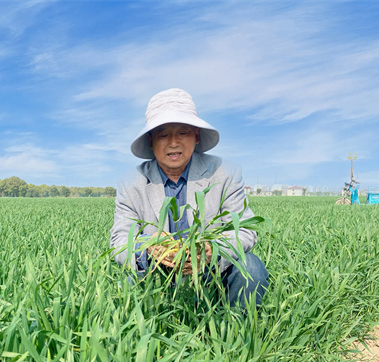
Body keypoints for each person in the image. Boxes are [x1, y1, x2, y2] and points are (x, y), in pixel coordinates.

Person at [109, 88, 268, 308]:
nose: (173, 142)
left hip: (212, 273)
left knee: (251, 268)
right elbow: (119, 241)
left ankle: (235, 325)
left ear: (196, 136)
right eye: (163, 134)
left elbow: (245, 230)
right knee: (124, 286)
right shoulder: (131, 183)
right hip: (158, 275)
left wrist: (212, 250)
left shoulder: (225, 173)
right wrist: (149, 247)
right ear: (151, 140)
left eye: (183, 132)